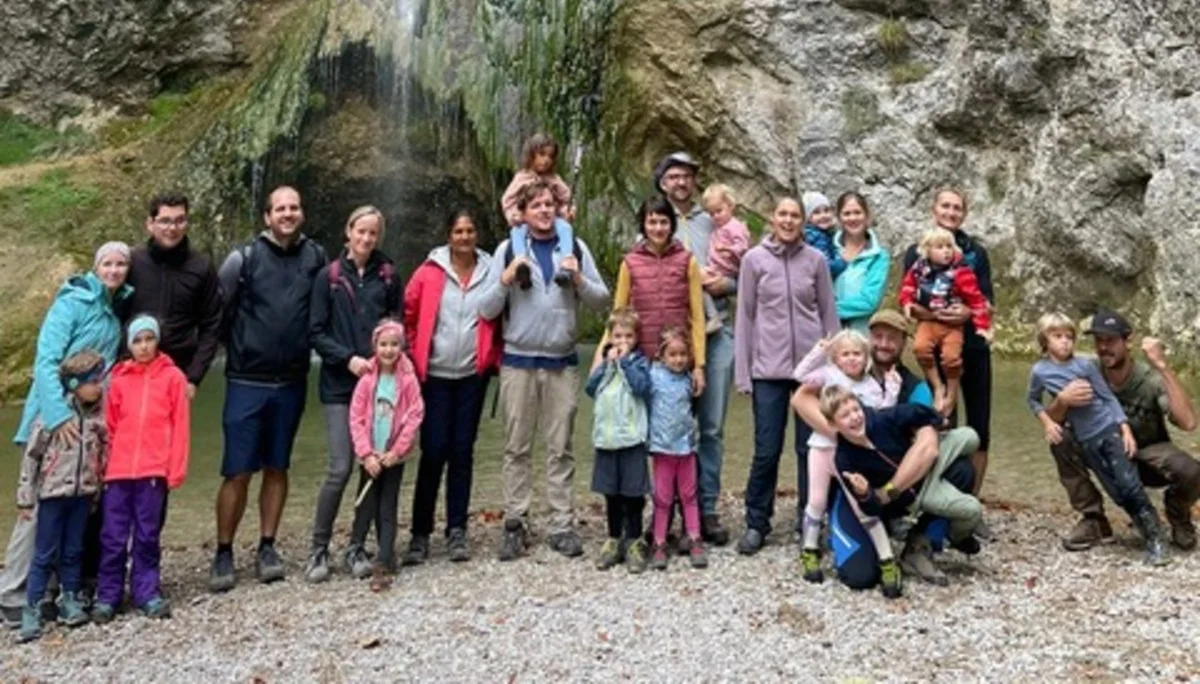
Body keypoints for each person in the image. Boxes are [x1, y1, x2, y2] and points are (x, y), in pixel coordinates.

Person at [0, 241, 132, 627]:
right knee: (38, 510)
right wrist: (58, 416)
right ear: (95, 267)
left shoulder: (112, 308)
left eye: (121, 264)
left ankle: (51, 593)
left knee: (68, 508)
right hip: (52, 419)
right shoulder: (72, 303)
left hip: (86, 422)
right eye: (107, 263)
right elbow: (46, 360)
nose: (114, 270)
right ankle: (12, 593)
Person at [478, 181, 610, 560]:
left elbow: (601, 300)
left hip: (561, 362)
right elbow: (486, 310)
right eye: (535, 205)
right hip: (518, 362)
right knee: (516, 447)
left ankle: (561, 524)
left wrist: (579, 277)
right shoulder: (507, 250)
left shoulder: (576, 248)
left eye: (549, 204)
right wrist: (505, 279)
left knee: (560, 448)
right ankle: (515, 522)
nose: (543, 210)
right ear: (522, 212)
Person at [210, 186, 327, 592]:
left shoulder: (315, 257)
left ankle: (267, 545)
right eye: (280, 209)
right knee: (237, 469)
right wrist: (239, 349)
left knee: (278, 466)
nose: (288, 214)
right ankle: (224, 550)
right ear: (266, 216)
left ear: (302, 213)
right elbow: (218, 312)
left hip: (292, 379)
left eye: (294, 207)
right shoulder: (243, 259)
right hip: (246, 379)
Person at [734, 197, 839, 555]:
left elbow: (829, 314)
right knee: (766, 449)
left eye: (796, 215)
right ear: (773, 218)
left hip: (810, 372)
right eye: (783, 214)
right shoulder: (753, 260)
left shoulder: (816, 260)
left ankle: (809, 518)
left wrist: (835, 368)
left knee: (811, 449)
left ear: (803, 221)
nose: (789, 220)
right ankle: (756, 521)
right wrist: (743, 372)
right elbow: (745, 317)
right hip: (768, 369)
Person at [1045, 309, 1200, 552]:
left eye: (1110, 340)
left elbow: (1189, 423)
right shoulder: (1085, 372)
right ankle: (1094, 519)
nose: (1104, 347)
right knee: (1060, 438)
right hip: (1104, 453)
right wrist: (1062, 401)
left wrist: (1162, 367)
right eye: (1099, 341)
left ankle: (1179, 515)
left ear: (1128, 342)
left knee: (1191, 471)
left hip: (1147, 453)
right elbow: (1051, 420)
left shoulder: (1148, 379)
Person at [304, 206, 401, 583]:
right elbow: (315, 332)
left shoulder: (389, 274)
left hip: (379, 387)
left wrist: (384, 360)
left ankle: (357, 546)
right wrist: (347, 359)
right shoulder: (327, 277)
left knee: (371, 465)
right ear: (348, 232)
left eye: (373, 233)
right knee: (341, 465)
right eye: (360, 231)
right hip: (340, 385)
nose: (366, 239)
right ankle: (318, 548)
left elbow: (395, 324)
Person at [1027, 313, 1170, 565]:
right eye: (1057, 337)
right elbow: (1033, 401)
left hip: (1108, 430)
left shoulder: (1084, 366)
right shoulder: (1040, 371)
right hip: (1086, 438)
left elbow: (1107, 397)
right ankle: (1118, 522)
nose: (1065, 343)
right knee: (1116, 491)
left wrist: (1124, 430)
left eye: (1069, 337)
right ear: (1044, 340)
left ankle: (1155, 537)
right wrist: (1048, 422)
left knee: (1128, 484)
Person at [402, 210, 500, 566]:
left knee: (462, 451)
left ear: (477, 234)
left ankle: (457, 529)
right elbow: (408, 314)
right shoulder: (429, 272)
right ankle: (419, 533)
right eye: (458, 230)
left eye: (470, 230)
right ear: (448, 235)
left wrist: (493, 357)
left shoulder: (491, 271)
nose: (464, 236)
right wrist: (414, 355)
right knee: (433, 452)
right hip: (435, 375)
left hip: (473, 375)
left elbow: (500, 314)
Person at [821, 386, 984, 597]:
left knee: (970, 436)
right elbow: (872, 508)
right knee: (972, 509)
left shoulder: (881, 419)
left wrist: (935, 420)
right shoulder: (846, 458)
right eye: (845, 415)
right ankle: (955, 535)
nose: (855, 417)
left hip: (924, 473)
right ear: (833, 425)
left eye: (856, 409)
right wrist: (864, 493)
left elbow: (914, 411)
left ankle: (942, 531)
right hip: (911, 498)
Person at [653, 152, 734, 545]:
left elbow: (741, 265)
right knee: (668, 425)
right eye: (673, 176)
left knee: (713, 427)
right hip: (671, 342)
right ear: (662, 182)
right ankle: (665, 510)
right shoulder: (652, 222)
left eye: (686, 176)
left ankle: (707, 507)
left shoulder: (713, 220)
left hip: (717, 332)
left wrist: (728, 284)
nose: (680, 182)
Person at [94, 316, 190, 623]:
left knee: (147, 534)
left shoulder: (173, 377)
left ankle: (146, 591)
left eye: (149, 339)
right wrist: (102, 467)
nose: (144, 346)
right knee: (112, 535)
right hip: (119, 471)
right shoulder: (119, 378)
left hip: (152, 469)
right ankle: (108, 594)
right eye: (138, 340)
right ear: (129, 344)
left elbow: (180, 426)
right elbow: (108, 426)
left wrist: (175, 468)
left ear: (157, 340)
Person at [903, 187, 993, 497]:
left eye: (957, 208)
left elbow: (987, 301)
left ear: (964, 214)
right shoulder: (917, 252)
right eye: (945, 206)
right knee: (942, 422)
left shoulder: (975, 253)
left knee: (980, 426)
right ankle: (940, 500)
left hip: (974, 350)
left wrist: (968, 312)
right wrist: (940, 313)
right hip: (937, 349)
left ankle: (972, 500)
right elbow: (909, 302)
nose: (951, 212)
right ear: (934, 209)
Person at [790, 330, 900, 583]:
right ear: (836, 358)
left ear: (866, 356)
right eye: (845, 354)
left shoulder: (871, 384)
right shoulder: (829, 375)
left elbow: (881, 415)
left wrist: (892, 389)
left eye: (857, 354)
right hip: (821, 447)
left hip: (850, 455)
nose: (852, 359)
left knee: (862, 505)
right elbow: (799, 376)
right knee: (815, 501)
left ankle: (887, 560)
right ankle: (809, 550)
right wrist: (819, 351)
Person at [15, 351, 108, 642]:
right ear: (73, 384)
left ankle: (70, 599)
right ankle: (31, 607)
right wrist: (25, 498)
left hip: (83, 494)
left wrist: (97, 490)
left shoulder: (98, 420)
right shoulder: (50, 419)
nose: (98, 387)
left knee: (73, 550)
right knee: (43, 553)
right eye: (92, 381)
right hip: (53, 494)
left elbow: (101, 456)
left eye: (100, 380)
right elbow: (31, 458)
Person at [346, 320, 424, 586]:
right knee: (365, 503)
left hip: (393, 456)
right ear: (375, 347)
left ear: (401, 347)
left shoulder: (408, 380)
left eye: (394, 345)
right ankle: (355, 546)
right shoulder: (367, 380)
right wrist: (366, 454)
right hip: (370, 455)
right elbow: (355, 418)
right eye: (383, 345)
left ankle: (386, 556)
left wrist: (397, 451)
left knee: (387, 505)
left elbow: (415, 414)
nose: (388, 350)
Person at [125, 193, 224, 397]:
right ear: (150, 224)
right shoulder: (132, 262)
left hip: (178, 374)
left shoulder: (201, 267)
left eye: (180, 220)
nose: (172, 228)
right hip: (131, 372)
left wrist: (194, 377)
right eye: (165, 221)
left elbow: (211, 326)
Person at [899, 227, 993, 416]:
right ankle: (937, 386)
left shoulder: (961, 271)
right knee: (919, 349)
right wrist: (907, 303)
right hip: (928, 322)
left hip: (952, 326)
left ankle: (951, 391)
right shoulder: (919, 268)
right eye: (940, 247)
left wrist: (983, 326)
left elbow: (977, 300)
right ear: (928, 251)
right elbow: (907, 287)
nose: (946, 251)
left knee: (951, 358)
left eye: (949, 246)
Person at [586, 309, 652, 573]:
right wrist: (605, 364)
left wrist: (623, 362)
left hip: (632, 438)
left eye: (627, 336)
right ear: (609, 338)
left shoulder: (638, 363)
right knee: (610, 492)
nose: (622, 341)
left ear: (635, 338)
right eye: (617, 336)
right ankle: (613, 538)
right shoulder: (605, 365)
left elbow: (641, 387)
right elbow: (590, 389)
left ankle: (634, 539)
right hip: (607, 439)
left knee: (633, 493)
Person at [648, 327, 709, 570]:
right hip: (662, 448)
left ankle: (695, 537)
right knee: (662, 498)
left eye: (683, 354)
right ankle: (659, 541)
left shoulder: (690, 379)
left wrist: (698, 367)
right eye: (672, 354)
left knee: (689, 495)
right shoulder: (653, 375)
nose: (678, 359)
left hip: (686, 448)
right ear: (662, 356)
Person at [501, 133, 574, 288]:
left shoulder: (554, 179)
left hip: (551, 221)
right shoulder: (522, 178)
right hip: (526, 220)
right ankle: (522, 265)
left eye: (550, 156)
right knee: (516, 232)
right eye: (541, 155)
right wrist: (514, 215)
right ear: (531, 155)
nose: (546, 160)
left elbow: (566, 197)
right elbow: (508, 200)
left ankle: (566, 264)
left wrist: (566, 211)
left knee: (565, 228)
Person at [832, 192, 889, 333]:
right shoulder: (828, 250)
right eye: (847, 213)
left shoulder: (879, 257)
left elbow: (869, 302)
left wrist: (827, 310)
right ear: (839, 217)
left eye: (857, 212)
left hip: (860, 335)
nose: (852, 218)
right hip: (827, 334)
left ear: (867, 216)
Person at [699, 184, 750, 334]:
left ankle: (713, 317)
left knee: (697, 280)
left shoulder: (735, 226)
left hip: (726, 270)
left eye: (719, 211)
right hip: (717, 268)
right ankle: (713, 315)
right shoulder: (720, 227)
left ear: (730, 206)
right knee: (699, 284)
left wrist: (728, 249)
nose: (715, 216)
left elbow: (744, 247)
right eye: (711, 213)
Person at [802, 191, 844, 279]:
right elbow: (825, 267)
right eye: (817, 212)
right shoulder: (816, 238)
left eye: (826, 210)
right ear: (808, 218)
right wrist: (844, 262)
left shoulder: (824, 233)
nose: (823, 215)